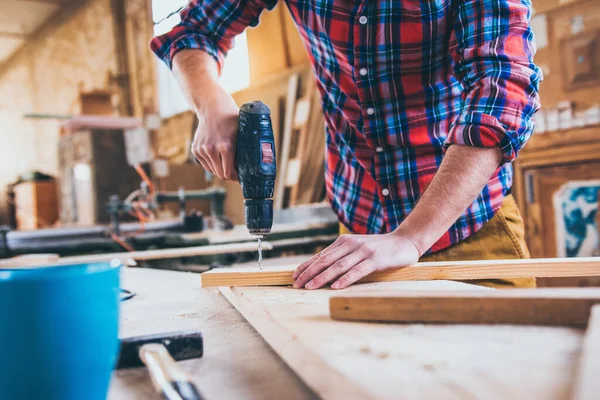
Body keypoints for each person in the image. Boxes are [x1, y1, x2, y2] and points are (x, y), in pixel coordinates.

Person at [151, 0, 541, 290]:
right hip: (357, 232)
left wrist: (410, 237)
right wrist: (211, 103)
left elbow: (501, 95)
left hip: (468, 226)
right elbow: (194, 32)